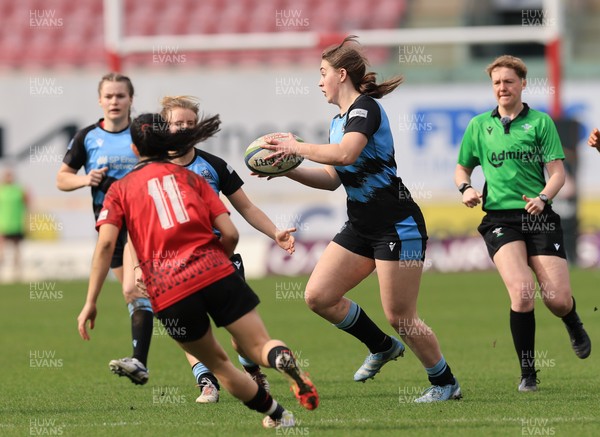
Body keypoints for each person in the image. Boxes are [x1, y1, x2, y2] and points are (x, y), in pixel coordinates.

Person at [77, 113, 318, 429]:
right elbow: (230, 233)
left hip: (170, 290)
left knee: (220, 364)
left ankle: (280, 415)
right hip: (216, 272)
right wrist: (216, 262)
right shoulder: (193, 179)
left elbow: (107, 247)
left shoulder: (120, 190)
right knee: (259, 345)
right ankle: (280, 358)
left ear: (134, 150)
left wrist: (90, 301)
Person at [259, 36, 461, 402]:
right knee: (319, 296)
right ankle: (382, 346)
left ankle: (445, 382)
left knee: (401, 315)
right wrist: (286, 169)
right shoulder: (338, 122)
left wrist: (296, 146)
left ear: (340, 74)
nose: (319, 82)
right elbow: (332, 178)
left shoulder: (364, 109)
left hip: (398, 225)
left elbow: (347, 154)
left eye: (322, 74)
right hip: (362, 226)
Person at [455, 55, 591, 392]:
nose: (502, 88)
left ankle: (571, 320)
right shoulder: (478, 126)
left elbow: (558, 173)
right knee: (522, 292)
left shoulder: (541, 123)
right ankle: (528, 373)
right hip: (501, 219)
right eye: (497, 82)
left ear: (523, 84)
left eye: (509, 82)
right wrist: (466, 188)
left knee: (557, 299)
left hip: (539, 215)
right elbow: (462, 168)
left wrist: (543, 197)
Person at [154, 95, 296, 403]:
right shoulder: (152, 170)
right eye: (179, 123)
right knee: (189, 330)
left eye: (191, 123)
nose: (185, 128)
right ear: (165, 125)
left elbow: (245, 207)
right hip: (175, 263)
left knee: (240, 336)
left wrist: (276, 232)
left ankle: (252, 369)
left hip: (220, 258)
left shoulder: (214, 166)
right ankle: (207, 382)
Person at [56, 73, 153, 385]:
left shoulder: (141, 134)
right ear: (100, 100)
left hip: (144, 226)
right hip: (110, 228)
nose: (114, 101)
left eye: (120, 96)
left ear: (131, 100)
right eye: (109, 96)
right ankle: (150, 361)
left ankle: (194, 370)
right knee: (138, 299)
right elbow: (62, 178)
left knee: (140, 293)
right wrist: (86, 179)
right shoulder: (87, 137)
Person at [0, 169, 29, 278]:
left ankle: (17, 272)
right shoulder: (1, 190)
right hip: (3, 224)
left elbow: (27, 203)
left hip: (16, 224)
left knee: (16, 249)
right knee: (1, 249)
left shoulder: (19, 190)